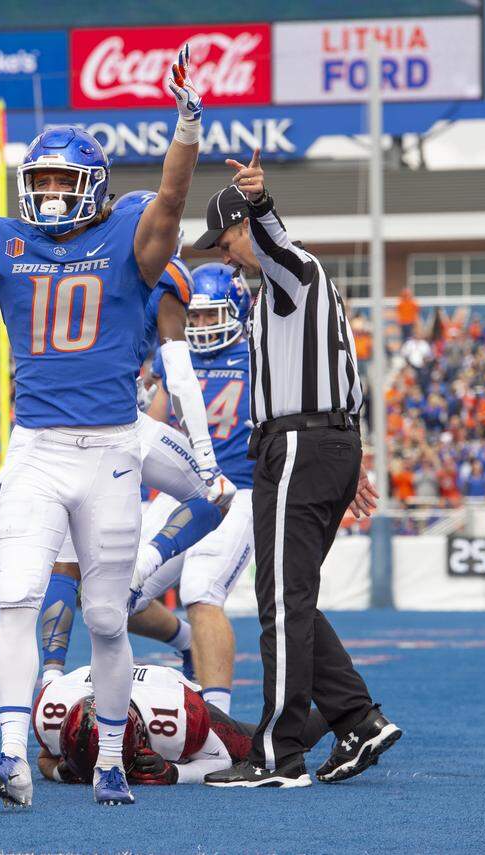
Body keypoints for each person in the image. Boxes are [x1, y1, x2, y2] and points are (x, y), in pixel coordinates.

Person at [0, 45, 216, 807]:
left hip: (112, 450)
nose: (52, 192)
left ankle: (113, 760)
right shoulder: (9, 245)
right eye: (43, 180)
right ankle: (9, 755)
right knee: (16, 594)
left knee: (103, 612)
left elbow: (168, 201)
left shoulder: (129, 236)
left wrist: (186, 126)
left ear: (92, 185)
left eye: (64, 180)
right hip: (37, 448)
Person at [192, 151, 401, 788]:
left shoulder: (291, 270)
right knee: (292, 596)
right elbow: (344, 370)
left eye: (225, 242)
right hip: (321, 443)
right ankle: (358, 719)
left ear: (246, 229)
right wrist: (350, 451)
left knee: (281, 600)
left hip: (302, 447)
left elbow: (274, 240)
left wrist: (258, 202)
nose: (224, 256)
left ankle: (278, 753)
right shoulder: (293, 289)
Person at [39, 212, 235, 688]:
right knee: (215, 494)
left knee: (57, 569)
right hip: (115, 422)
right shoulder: (166, 274)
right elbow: (181, 372)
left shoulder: (64, 259)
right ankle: (146, 570)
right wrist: (207, 462)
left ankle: (47, 685)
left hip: (45, 425)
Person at [127, 263, 256, 715]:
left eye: (210, 315)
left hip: (239, 490)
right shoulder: (173, 354)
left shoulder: (259, 356)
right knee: (118, 592)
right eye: (194, 317)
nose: (200, 325)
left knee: (201, 590)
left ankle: (216, 714)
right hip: (186, 487)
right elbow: (159, 423)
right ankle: (184, 642)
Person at [33, 663, 330, 786]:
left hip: (169, 690)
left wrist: (174, 772)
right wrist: (62, 770)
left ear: (140, 738)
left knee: (273, 744)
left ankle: (339, 713)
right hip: (105, 682)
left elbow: (220, 760)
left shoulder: (177, 717)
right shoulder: (52, 711)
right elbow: (45, 758)